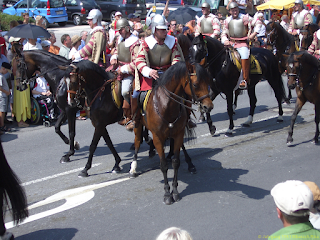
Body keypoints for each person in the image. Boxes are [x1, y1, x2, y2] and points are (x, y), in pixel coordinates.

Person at [135, 14, 196, 129]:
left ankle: (187, 118)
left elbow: (176, 57)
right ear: (154, 30)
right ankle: (136, 119)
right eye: (161, 30)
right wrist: (149, 71)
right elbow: (139, 60)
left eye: (165, 29)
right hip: (151, 75)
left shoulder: (173, 41)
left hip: (169, 74)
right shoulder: (145, 43)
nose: (165, 31)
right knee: (136, 94)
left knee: (185, 94)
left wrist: (172, 70)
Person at [110, 18, 140, 131]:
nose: (119, 32)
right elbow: (117, 51)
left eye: (121, 30)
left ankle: (131, 116)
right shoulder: (120, 39)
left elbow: (137, 61)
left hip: (130, 72)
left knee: (125, 91)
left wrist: (123, 69)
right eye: (118, 30)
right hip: (119, 69)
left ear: (127, 29)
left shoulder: (135, 42)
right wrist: (114, 57)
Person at [221, 2, 252, 89]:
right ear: (230, 11)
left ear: (238, 9)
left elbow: (255, 23)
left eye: (236, 10)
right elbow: (224, 32)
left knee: (245, 55)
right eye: (233, 10)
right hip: (231, 43)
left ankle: (245, 79)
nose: (235, 12)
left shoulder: (245, 17)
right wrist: (225, 40)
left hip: (242, 43)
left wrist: (253, 34)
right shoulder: (227, 20)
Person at [0, 63, 11, 133]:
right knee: (2, 111)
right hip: (2, 96)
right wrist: (6, 92)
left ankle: (2, 125)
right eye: (7, 71)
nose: (7, 72)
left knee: (3, 110)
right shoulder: (0, 76)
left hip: (4, 95)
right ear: (3, 69)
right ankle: (2, 126)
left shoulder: (2, 75)